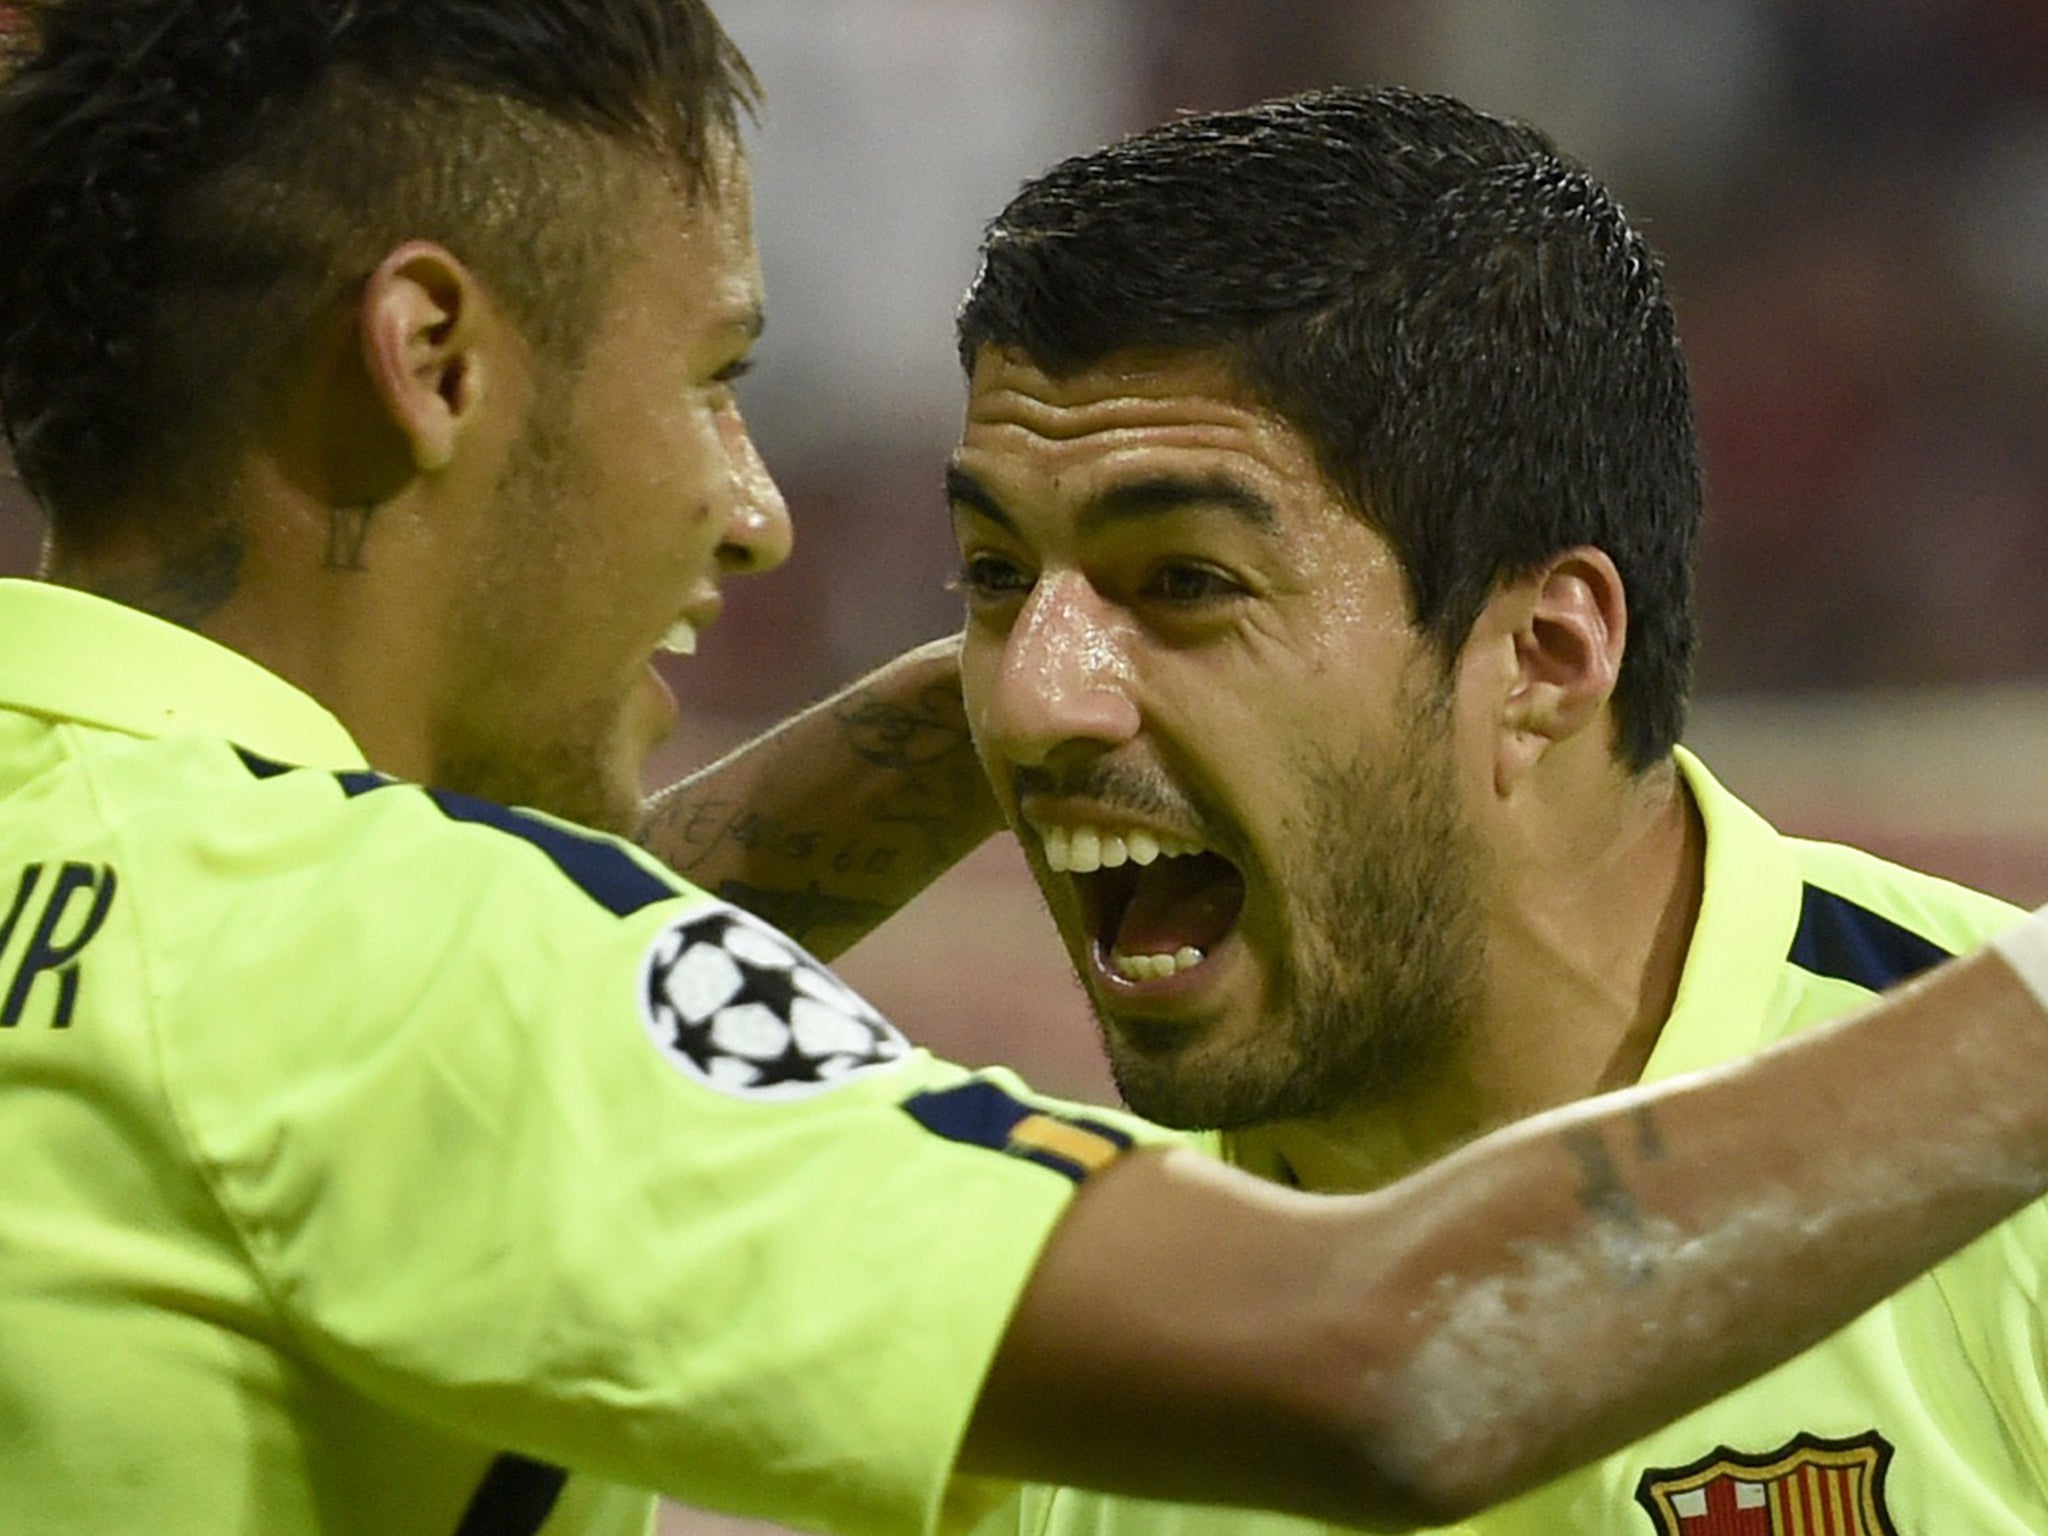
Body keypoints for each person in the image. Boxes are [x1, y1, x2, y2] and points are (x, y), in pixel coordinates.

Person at [4, 8, 2048, 1534]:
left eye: (1174, 575)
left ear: (1545, 653)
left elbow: (480, 1009)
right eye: (717, 378)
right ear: (432, 358)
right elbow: (1401, 1360)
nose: (755, 509)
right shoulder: (1098, 1355)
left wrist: (1076, 659)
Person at [911, 86, 2048, 1534]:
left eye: (1185, 580)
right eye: (998, 577)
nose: (1026, 701)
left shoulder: (2012, 1157)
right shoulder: (1063, 1363)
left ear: (1545, 659)